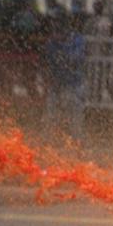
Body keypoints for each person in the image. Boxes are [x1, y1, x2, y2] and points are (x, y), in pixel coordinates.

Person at [41, 11, 87, 143]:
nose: (55, 32)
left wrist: (63, 55)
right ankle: (48, 139)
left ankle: (77, 139)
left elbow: (76, 58)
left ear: (66, 28)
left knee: (75, 114)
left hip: (74, 84)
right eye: (54, 28)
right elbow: (48, 61)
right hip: (56, 83)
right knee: (50, 114)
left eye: (58, 28)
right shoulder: (51, 43)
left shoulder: (78, 40)